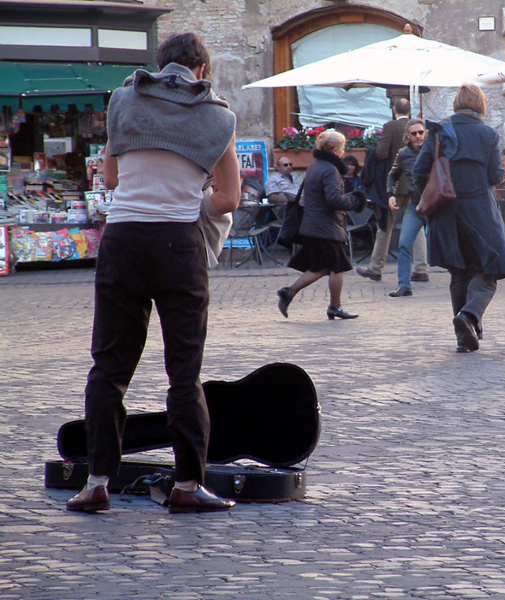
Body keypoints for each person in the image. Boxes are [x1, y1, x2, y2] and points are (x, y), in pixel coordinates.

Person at [66, 33, 240, 513]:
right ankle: (187, 486)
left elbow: (113, 180)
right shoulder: (218, 116)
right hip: (177, 245)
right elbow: (229, 200)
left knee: (109, 368)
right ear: (202, 71)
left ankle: (97, 481)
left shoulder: (123, 100)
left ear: (159, 64)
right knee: (184, 372)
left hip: (123, 241)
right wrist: (192, 191)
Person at [412, 83, 505, 353]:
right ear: (481, 104)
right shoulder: (487, 134)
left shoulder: (439, 131)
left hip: (446, 213)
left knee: (459, 272)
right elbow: (495, 176)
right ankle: (468, 317)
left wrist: (430, 196)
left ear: (458, 102)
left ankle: (464, 337)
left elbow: (419, 170)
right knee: (489, 269)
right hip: (480, 211)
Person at [277, 130, 366, 320]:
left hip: (315, 224)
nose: (344, 151)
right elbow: (333, 199)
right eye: (342, 148)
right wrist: (355, 201)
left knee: (322, 267)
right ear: (334, 150)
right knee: (336, 266)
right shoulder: (329, 169)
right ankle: (333, 306)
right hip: (326, 226)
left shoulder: (315, 165)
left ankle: (291, 292)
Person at [357, 98, 428, 283]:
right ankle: (421, 268)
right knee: (417, 227)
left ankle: (376, 267)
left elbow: (381, 153)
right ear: (409, 111)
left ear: (394, 110)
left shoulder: (390, 126)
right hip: (415, 187)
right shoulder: (420, 129)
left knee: (385, 226)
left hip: (395, 187)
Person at [386, 118, 428, 297]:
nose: (418, 136)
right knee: (403, 244)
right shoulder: (403, 154)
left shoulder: (434, 149)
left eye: (421, 132)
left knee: (449, 242)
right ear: (408, 136)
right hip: (416, 206)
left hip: (437, 205)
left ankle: (462, 282)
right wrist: (390, 194)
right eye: (414, 134)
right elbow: (392, 175)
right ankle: (404, 285)